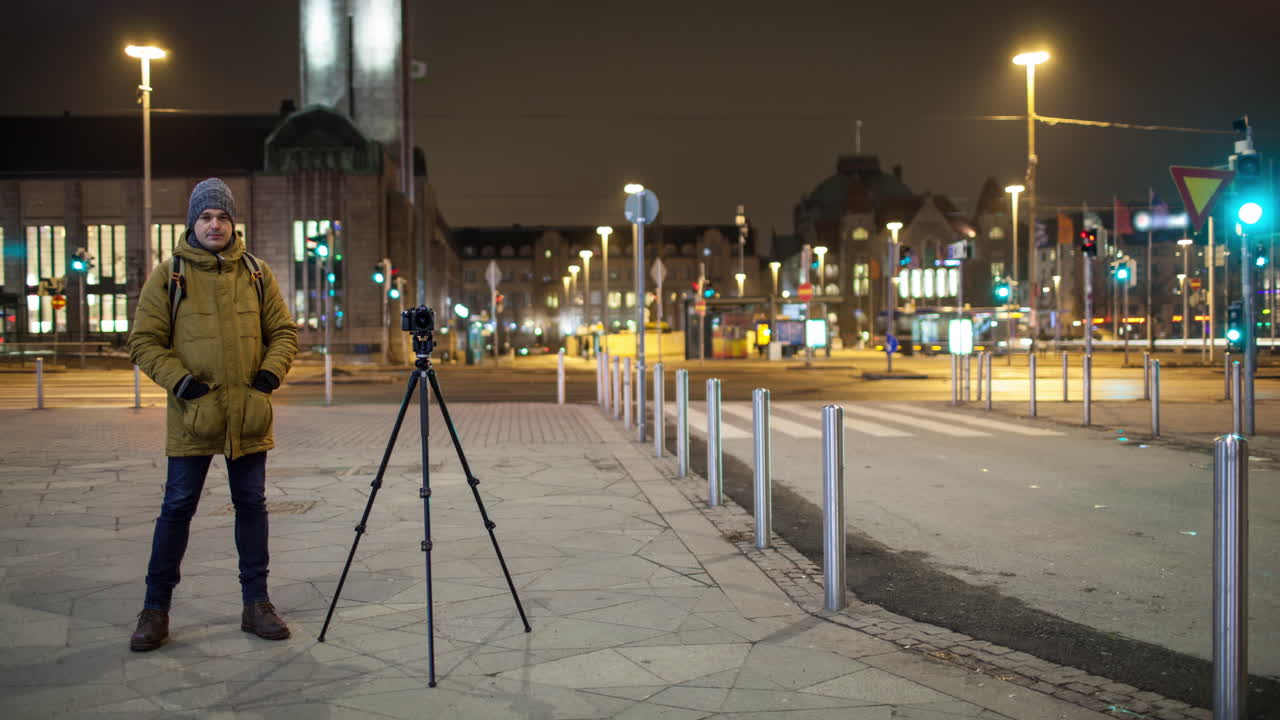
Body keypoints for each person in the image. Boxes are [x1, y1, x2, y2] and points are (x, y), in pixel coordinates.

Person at [127, 178, 298, 651]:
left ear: (233, 222)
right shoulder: (170, 275)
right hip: (193, 416)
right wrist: (182, 383)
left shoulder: (257, 273)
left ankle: (256, 603)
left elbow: (283, 331)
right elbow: (142, 341)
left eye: (222, 217)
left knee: (252, 506)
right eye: (206, 217)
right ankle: (155, 610)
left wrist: (268, 376)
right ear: (192, 222)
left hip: (248, 417)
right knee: (177, 508)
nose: (215, 224)